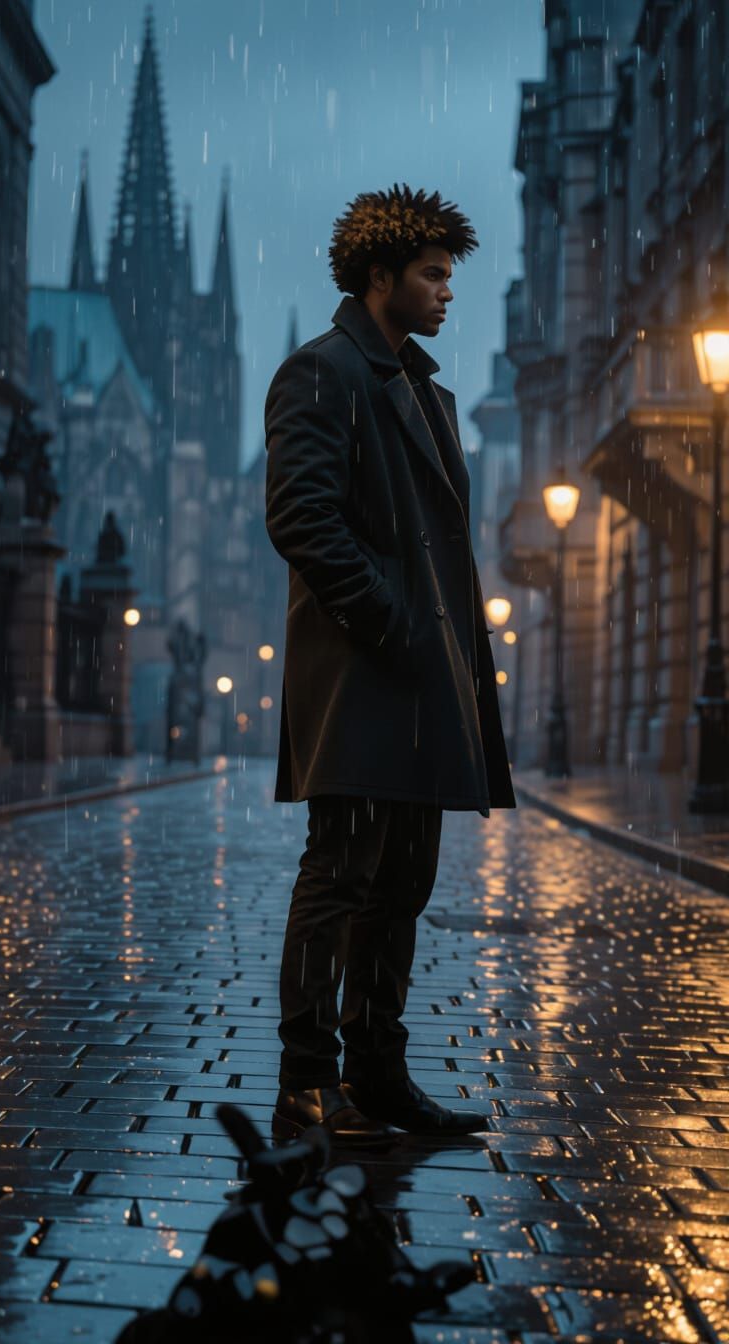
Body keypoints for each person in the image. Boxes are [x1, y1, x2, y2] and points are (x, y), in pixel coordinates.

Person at [264, 184, 516, 1147]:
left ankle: (378, 1075)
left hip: (422, 686)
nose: (448, 292)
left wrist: (439, 652)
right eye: (433, 274)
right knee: (339, 878)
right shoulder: (321, 373)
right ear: (381, 277)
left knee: (402, 883)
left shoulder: (420, 389)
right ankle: (306, 1082)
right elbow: (302, 518)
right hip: (367, 678)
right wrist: (395, 624)